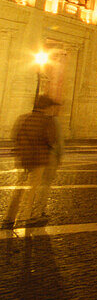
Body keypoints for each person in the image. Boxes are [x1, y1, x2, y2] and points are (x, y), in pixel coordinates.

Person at [3, 96, 63, 229]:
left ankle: (9, 217)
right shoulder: (47, 121)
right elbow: (51, 140)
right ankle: (28, 216)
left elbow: (15, 135)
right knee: (32, 189)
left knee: (18, 189)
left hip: (24, 159)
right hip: (39, 159)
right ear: (46, 107)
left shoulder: (24, 118)